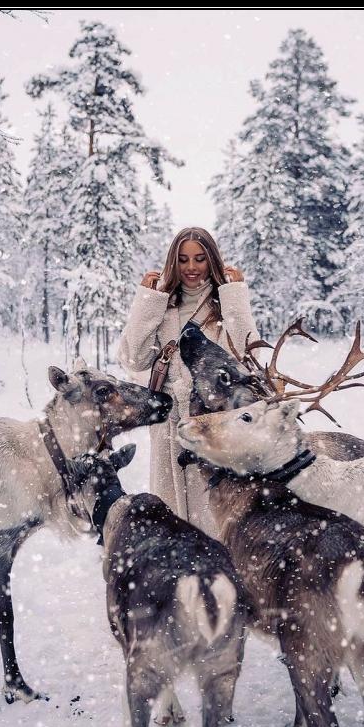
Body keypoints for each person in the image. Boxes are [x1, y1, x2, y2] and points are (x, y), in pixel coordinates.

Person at [118, 227, 259, 539]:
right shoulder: (162, 307)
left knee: (214, 522)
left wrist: (235, 297)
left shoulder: (223, 306)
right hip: (168, 424)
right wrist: (147, 301)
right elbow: (132, 359)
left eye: (199, 259)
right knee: (171, 526)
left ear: (212, 261)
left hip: (211, 425)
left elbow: (249, 359)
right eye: (183, 260)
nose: (191, 267)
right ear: (173, 263)